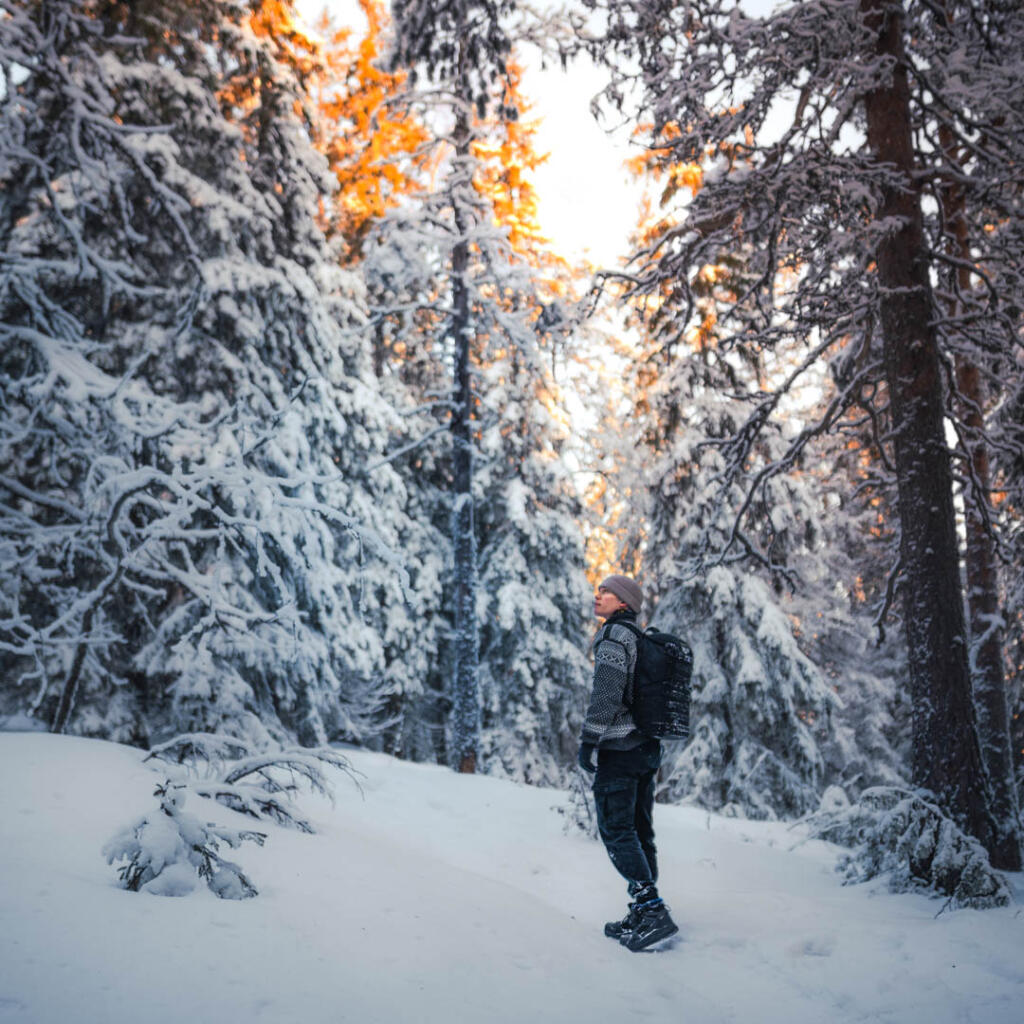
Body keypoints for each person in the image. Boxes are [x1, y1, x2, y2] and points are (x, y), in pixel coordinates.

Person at [577, 574, 678, 952]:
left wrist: (589, 740)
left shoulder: (613, 637)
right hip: (647, 748)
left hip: (619, 748)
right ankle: (643, 908)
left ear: (623, 603)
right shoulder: (637, 637)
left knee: (616, 829)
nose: (597, 595)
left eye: (606, 592)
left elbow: (606, 691)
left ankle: (651, 908)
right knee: (639, 829)